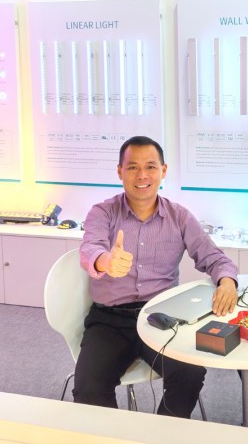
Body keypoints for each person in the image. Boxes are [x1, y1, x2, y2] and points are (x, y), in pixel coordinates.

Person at [76, 135, 238, 418]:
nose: (142, 175)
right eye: (132, 167)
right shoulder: (102, 212)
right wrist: (105, 262)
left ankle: (160, 436)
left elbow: (214, 257)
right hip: (109, 320)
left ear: (163, 171)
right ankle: (111, 442)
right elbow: (90, 248)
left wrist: (227, 282)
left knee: (190, 374)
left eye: (150, 167)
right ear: (120, 172)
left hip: (161, 317)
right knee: (89, 388)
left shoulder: (179, 217)